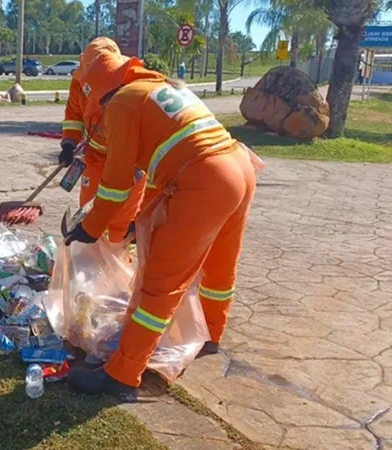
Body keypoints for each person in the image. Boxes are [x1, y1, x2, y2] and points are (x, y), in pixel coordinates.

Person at [64, 51, 258, 401]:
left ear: (99, 92)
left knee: (160, 286)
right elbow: (157, 167)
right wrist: (135, 220)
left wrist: (91, 228)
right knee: (219, 266)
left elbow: (116, 184)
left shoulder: (122, 102)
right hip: (239, 166)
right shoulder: (157, 89)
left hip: (205, 179)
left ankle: (122, 375)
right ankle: (211, 333)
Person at [60, 38, 146, 243]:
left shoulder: (131, 86)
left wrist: (135, 171)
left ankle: (117, 258)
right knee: (88, 213)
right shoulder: (78, 83)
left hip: (130, 161)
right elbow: (74, 114)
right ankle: (89, 257)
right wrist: (69, 144)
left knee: (123, 216)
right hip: (94, 157)